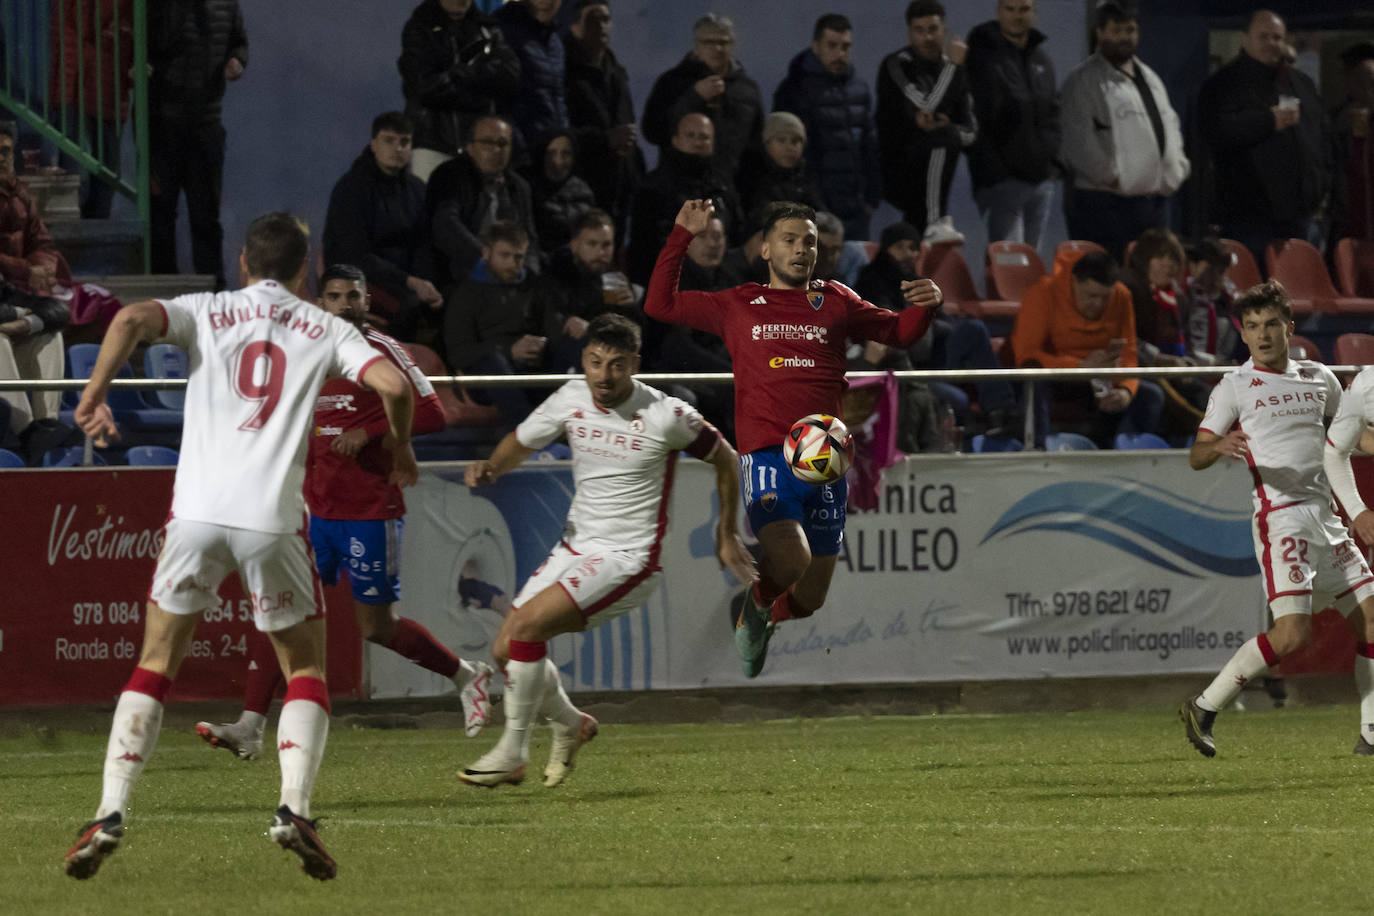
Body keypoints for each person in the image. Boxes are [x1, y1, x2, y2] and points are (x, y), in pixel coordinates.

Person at [62, 213, 419, 881]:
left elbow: (130, 319)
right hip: (269, 520)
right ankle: (294, 809)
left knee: (157, 661)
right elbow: (395, 386)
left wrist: (93, 393)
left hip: (194, 514)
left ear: (242, 261)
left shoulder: (209, 308)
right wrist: (398, 446)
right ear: (305, 268)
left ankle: (109, 811)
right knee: (305, 668)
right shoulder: (328, 327)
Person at [195, 264, 493, 759]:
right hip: (313, 512)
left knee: (376, 628)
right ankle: (250, 725)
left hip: (370, 509)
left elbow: (433, 412)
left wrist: (377, 435)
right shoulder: (301, 352)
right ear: (320, 303)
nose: (344, 304)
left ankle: (466, 674)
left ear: (364, 301)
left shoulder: (381, 350)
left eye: (352, 295)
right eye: (334, 296)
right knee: (281, 612)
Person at [645, 199, 942, 677]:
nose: (801, 249)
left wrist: (926, 309)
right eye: (789, 240)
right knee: (791, 556)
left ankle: (763, 616)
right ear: (765, 248)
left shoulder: (837, 300)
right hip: (767, 455)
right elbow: (659, 303)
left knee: (810, 598)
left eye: (809, 241)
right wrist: (682, 234)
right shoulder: (737, 303)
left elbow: (896, 331)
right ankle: (757, 602)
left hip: (826, 461)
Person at [457, 313, 754, 786]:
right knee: (504, 649)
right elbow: (521, 441)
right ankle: (573, 725)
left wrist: (726, 532)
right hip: (574, 547)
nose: (604, 375)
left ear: (634, 364)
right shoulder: (572, 396)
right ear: (584, 360)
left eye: (616, 364)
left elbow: (728, 459)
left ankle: (512, 754)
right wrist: (492, 468)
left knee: (528, 629)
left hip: (629, 558)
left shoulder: (667, 415)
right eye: (595, 362)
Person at [1182, 280, 1374, 758]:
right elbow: (1196, 454)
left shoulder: (1320, 377)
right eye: (1251, 327)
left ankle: (1372, 735)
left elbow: (1349, 438)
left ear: (1289, 328)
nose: (1262, 335)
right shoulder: (1235, 386)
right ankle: (1204, 706)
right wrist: (1219, 445)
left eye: (1270, 325)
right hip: (1281, 518)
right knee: (1293, 635)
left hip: (1327, 519)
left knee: (1373, 623)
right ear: (1242, 335)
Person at [857, 220, 1018, 436]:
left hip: (931, 355)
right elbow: (891, 328)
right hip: (903, 365)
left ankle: (1001, 411)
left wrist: (942, 323)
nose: (909, 254)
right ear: (886, 249)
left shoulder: (917, 281)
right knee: (956, 395)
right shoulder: (871, 280)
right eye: (900, 247)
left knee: (974, 328)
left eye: (913, 248)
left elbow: (939, 321)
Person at [1058, 1, 1189, 260]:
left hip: (1152, 202)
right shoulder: (1082, 80)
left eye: (1130, 30)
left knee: (1151, 282)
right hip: (1104, 202)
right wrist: (1115, 177)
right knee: (1110, 277)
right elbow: (1078, 141)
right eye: (1116, 30)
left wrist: (1177, 169)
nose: (1124, 37)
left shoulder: (1150, 78)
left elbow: (1170, 126)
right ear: (1100, 33)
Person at [1199, 10, 1329, 264]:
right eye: (1264, 37)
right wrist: (1267, 121)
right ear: (1244, 39)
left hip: (1301, 217)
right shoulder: (1222, 85)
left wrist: (1322, 183)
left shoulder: (1302, 84)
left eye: (1277, 37)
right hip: (1249, 219)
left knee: (1298, 295)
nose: (1272, 43)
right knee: (1255, 296)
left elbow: (1322, 139)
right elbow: (1217, 132)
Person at [1009, 248, 1163, 449]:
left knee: (1150, 395)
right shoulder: (1044, 292)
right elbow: (1027, 356)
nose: (1098, 304)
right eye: (1091, 295)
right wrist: (1079, 366)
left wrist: (1126, 389)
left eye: (1105, 297)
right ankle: (1040, 452)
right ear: (1074, 281)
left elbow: (1129, 353)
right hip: (1056, 378)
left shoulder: (1121, 296)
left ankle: (1125, 459)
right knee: (1035, 383)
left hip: (1097, 379)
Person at [147, 0, 248, 288]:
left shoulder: (227, 4)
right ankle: (164, 289)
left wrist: (237, 61)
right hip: (164, 121)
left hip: (207, 124)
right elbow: (155, 43)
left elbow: (239, 43)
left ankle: (213, 289)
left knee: (206, 214)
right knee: (162, 212)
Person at [323, 112, 443, 342]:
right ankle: (396, 368)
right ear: (374, 144)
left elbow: (424, 245)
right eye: (389, 140)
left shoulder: (417, 189)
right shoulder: (351, 188)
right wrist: (410, 282)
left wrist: (427, 282)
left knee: (446, 299)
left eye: (404, 142)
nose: (397, 148)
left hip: (405, 280)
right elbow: (353, 255)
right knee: (408, 305)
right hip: (358, 280)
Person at [772, 13, 882, 241]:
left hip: (857, 209)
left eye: (845, 46)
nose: (840, 53)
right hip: (816, 208)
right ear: (816, 46)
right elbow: (794, 156)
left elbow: (869, 146)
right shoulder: (795, 89)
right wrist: (812, 204)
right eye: (832, 45)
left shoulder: (859, 89)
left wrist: (871, 198)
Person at [876, 0, 976, 245]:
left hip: (933, 174)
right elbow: (927, 108)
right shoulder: (898, 64)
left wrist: (947, 129)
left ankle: (932, 225)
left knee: (947, 137)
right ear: (910, 33)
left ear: (944, 30)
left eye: (933, 29)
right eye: (919, 31)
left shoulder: (953, 70)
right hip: (899, 168)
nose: (927, 37)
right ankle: (935, 221)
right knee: (944, 138)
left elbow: (971, 132)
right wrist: (953, 66)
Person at [964, 0, 1060, 253]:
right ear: (999, 13)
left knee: (1033, 266)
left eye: (1025, 9)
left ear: (1034, 13)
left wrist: (1053, 164)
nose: (1018, 16)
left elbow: (1052, 114)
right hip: (1003, 183)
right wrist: (996, 172)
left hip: (1040, 181)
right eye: (1011, 9)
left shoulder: (1041, 60)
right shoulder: (983, 57)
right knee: (1010, 265)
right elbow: (978, 117)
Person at [398, 0, 519, 183]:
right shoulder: (419, 28)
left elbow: (510, 76)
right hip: (434, 144)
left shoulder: (488, 28)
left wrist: (459, 74)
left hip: (481, 147)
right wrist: (481, 84)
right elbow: (425, 88)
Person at [443, 221, 546, 425]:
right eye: (504, 255)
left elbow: (548, 324)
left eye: (518, 257)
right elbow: (458, 354)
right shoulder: (466, 293)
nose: (512, 263)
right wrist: (509, 351)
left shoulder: (532, 284)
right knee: (493, 361)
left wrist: (542, 344)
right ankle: (526, 437)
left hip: (528, 367)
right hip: (484, 377)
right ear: (486, 253)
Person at [642, 14, 764, 184]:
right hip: (681, 185)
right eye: (709, 42)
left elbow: (757, 145)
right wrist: (693, 97)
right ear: (696, 47)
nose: (717, 48)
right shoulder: (673, 82)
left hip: (731, 189)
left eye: (723, 42)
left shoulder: (747, 89)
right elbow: (653, 131)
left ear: (733, 46)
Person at [562, 0, 645, 242]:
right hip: (584, 180)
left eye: (606, 19)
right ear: (575, 26)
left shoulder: (615, 71)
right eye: (593, 18)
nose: (602, 26)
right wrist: (604, 140)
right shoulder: (566, 71)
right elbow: (562, 130)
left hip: (619, 183)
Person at [626, 113, 742, 285]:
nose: (697, 142)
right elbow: (642, 250)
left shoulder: (723, 186)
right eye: (690, 135)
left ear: (713, 143)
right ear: (675, 140)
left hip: (721, 282)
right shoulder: (653, 188)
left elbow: (737, 234)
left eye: (704, 137)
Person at [427, 114, 541, 289]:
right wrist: (490, 260)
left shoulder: (519, 186)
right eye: (487, 143)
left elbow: (529, 236)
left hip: (510, 270)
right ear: (470, 148)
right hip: (463, 271)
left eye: (502, 144)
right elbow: (446, 225)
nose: (496, 150)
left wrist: (529, 271)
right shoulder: (450, 175)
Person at [493, 0, 568, 153]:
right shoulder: (501, 31)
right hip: (520, 156)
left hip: (551, 158)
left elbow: (558, 100)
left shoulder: (555, 43)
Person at [735, 112, 825, 229]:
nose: (789, 147)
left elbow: (821, 216)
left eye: (795, 141)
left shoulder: (806, 179)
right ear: (766, 144)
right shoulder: (751, 180)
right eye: (781, 140)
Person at [1332, 43, 1374, 243]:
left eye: (1371, 82)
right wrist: (1338, 128)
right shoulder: (1337, 120)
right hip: (1348, 218)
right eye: (1358, 81)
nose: (1367, 90)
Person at [527, 129, 596, 251]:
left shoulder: (583, 193)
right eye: (551, 153)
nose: (557, 161)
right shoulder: (524, 190)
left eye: (566, 154)